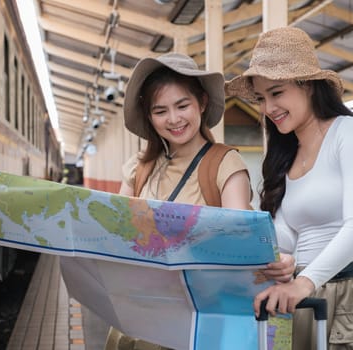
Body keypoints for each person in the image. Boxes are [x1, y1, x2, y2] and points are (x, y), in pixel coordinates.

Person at [105, 52, 295, 350]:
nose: (174, 119)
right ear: (149, 116)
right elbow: (116, 235)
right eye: (160, 110)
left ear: (202, 103)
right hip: (138, 320)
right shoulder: (137, 168)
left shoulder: (224, 163)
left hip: (197, 324)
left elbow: (239, 243)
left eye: (182, 105)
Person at [226, 26, 353, 349]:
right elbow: (289, 236)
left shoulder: (349, 134)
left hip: (347, 295)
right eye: (261, 98)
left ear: (309, 86)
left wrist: (303, 282)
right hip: (302, 300)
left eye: (277, 93)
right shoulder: (285, 156)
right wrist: (281, 260)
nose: (268, 108)